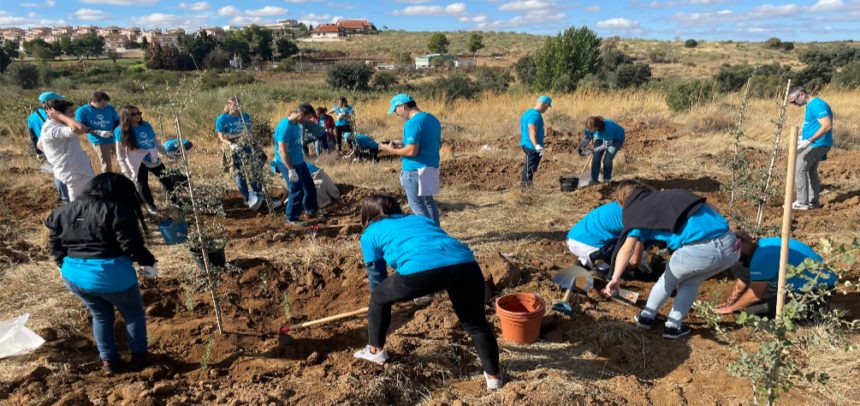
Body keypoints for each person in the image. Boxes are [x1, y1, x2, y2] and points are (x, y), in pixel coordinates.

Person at [355, 194, 503, 390]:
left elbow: (377, 277)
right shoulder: (419, 218)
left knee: (378, 297)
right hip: (466, 265)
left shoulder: (369, 233)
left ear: (367, 215)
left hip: (421, 271)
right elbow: (436, 252)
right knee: (476, 325)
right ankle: (494, 379)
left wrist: (380, 301)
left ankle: (375, 351)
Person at [45, 173, 161, 375]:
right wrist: (149, 263)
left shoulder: (61, 212)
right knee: (132, 314)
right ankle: (140, 356)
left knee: (100, 316)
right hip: (110, 275)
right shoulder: (116, 210)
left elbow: (56, 247)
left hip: (74, 276)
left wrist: (60, 267)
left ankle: (110, 361)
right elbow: (131, 246)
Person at [606, 180, 739, 339]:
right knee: (691, 282)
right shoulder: (675, 195)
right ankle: (672, 327)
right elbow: (714, 209)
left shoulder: (637, 214)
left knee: (667, 281)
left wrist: (615, 277)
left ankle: (646, 318)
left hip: (698, 251)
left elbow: (627, 249)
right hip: (731, 247)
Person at [715, 230, 836, 319]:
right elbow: (746, 275)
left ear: (743, 243)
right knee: (739, 266)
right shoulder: (762, 244)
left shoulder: (762, 258)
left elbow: (754, 296)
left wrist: (731, 309)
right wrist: (732, 301)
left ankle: (821, 310)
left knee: (753, 313)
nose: (731, 255)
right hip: (807, 281)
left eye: (732, 251)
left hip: (817, 290)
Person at [379, 94, 442, 225]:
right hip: (430, 167)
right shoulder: (431, 118)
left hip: (415, 169)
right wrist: (402, 143)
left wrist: (391, 150)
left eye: (395, 110)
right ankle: (437, 233)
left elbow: (412, 151)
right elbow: (424, 143)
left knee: (417, 205)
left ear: (403, 106)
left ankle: (427, 235)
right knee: (428, 202)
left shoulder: (412, 123)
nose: (396, 114)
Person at [115, 105, 180, 215]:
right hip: (137, 160)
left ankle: (173, 201)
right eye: (134, 114)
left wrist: (166, 153)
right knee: (142, 183)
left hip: (153, 157)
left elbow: (156, 141)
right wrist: (124, 166)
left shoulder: (146, 125)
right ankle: (150, 205)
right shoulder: (120, 130)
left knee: (165, 178)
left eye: (139, 113)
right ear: (126, 116)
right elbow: (120, 151)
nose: (138, 116)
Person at [273, 103, 325, 226]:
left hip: (300, 161)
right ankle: (291, 219)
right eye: (308, 118)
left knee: (310, 186)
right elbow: (282, 151)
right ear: (301, 114)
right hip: (289, 163)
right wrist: (291, 170)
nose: (308, 121)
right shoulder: (285, 128)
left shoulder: (296, 123)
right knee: (296, 190)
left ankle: (310, 210)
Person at [567, 202, 650, 277]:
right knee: (638, 241)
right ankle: (602, 268)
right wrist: (628, 267)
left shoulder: (620, 204)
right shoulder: (638, 220)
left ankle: (583, 262)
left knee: (624, 236)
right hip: (589, 245)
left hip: (572, 239)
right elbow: (634, 260)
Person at [38, 99, 97, 202]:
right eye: (70, 111)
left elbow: (40, 144)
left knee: (86, 202)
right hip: (75, 174)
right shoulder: (51, 129)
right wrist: (60, 116)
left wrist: (55, 155)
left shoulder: (58, 126)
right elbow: (80, 128)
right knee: (79, 204)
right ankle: (78, 218)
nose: (73, 114)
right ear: (58, 113)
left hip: (78, 171)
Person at [788, 86, 833, 210]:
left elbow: (827, 125)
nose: (794, 105)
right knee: (810, 171)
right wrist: (804, 137)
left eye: (793, 101)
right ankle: (813, 202)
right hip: (816, 143)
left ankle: (802, 202)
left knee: (799, 169)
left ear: (801, 94)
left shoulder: (816, 105)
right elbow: (815, 125)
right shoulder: (811, 105)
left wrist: (809, 140)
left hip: (818, 144)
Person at [216, 97, 266, 211]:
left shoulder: (245, 116)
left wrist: (254, 142)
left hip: (247, 143)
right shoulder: (222, 119)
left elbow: (250, 131)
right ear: (228, 106)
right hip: (232, 144)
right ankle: (246, 195)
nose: (238, 109)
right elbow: (221, 137)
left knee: (254, 168)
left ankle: (258, 192)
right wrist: (231, 145)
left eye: (239, 106)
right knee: (240, 171)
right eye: (235, 106)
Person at [28, 92, 70, 203]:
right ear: (50, 102)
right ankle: (67, 197)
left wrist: (38, 151)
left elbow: (33, 136)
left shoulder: (32, 117)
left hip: (45, 148)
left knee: (57, 171)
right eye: (57, 99)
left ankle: (65, 197)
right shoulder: (54, 114)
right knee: (63, 172)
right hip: (60, 146)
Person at [75, 91, 120, 173]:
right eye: (103, 104)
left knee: (124, 160)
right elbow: (81, 127)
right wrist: (98, 132)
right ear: (93, 101)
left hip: (115, 138)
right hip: (99, 141)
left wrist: (115, 131)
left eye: (106, 103)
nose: (105, 106)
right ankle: (108, 182)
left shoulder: (110, 108)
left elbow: (117, 121)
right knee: (107, 165)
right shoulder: (82, 111)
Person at [270, 160, 340, 209]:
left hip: (316, 177)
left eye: (277, 170)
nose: (278, 172)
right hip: (321, 175)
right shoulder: (295, 162)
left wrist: (281, 201)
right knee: (335, 194)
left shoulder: (291, 169)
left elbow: (291, 187)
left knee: (321, 200)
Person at [578, 117, 626, 184]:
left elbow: (606, 145)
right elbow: (589, 137)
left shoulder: (607, 128)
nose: (592, 132)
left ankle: (606, 179)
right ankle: (594, 180)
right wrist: (581, 147)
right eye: (590, 130)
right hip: (600, 137)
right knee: (596, 158)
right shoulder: (589, 127)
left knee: (607, 160)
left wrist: (591, 151)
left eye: (593, 130)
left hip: (616, 139)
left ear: (598, 126)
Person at [520, 96, 551, 189]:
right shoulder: (535, 115)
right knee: (529, 168)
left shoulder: (527, 113)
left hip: (527, 143)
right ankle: (524, 189)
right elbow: (532, 131)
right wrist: (537, 145)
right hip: (531, 146)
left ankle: (528, 187)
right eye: (548, 107)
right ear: (546, 105)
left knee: (531, 168)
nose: (547, 109)